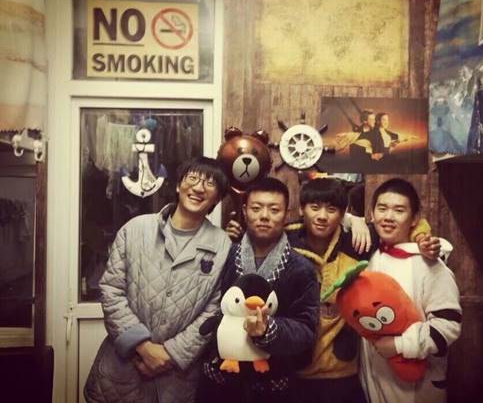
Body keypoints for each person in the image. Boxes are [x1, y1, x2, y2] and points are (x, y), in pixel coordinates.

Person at [226, 178, 441, 403]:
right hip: (293, 368)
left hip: (344, 369)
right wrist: (232, 233)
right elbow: (254, 235)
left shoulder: (358, 241)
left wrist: (422, 238)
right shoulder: (285, 240)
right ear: (301, 209)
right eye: (314, 207)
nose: (322, 216)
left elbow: (410, 224)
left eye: (331, 209)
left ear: (342, 213)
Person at [84, 157, 232, 403]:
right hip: (122, 371)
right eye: (193, 178)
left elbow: (214, 310)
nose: (198, 188)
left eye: (210, 183)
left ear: (217, 198)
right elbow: (111, 290)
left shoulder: (222, 245)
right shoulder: (135, 229)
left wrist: (170, 355)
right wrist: (143, 347)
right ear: (178, 185)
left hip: (176, 379)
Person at [196, 177, 320, 403]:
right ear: (244, 211)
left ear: (287, 214)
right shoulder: (225, 256)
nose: (264, 216)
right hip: (219, 380)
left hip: (272, 384)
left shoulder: (301, 268)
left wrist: (268, 329)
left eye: (274, 210)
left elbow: (306, 329)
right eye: (256, 208)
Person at [359, 178, 462, 403]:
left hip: (416, 387)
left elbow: (448, 326)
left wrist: (399, 345)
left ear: (415, 219)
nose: (388, 217)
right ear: (372, 214)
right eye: (382, 208)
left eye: (399, 210)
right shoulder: (370, 256)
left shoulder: (429, 264)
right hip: (374, 383)